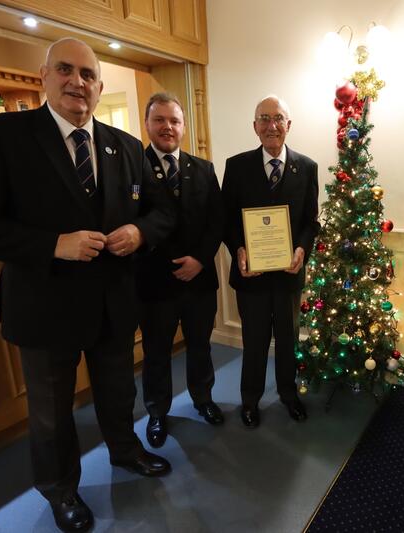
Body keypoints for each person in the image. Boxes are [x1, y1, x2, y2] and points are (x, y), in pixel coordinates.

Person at [0, 38, 176, 533]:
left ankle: (125, 450)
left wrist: (140, 232)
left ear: (99, 86)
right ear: (44, 76)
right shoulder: (3, 135)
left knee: (118, 391)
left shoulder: (125, 146)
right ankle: (60, 489)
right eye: (66, 70)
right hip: (44, 305)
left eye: (88, 74)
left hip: (113, 303)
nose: (78, 82)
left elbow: (161, 212)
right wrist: (53, 244)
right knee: (51, 411)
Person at [221, 95, 319, 428]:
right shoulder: (237, 166)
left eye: (278, 118)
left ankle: (289, 395)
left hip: (289, 275)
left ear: (288, 125)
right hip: (251, 275)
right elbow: (226, 219)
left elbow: (310, 222)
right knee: (255, 341)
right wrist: (239, 248)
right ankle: (250, 400)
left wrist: (302, 250)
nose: (271, 125)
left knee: (289, 340)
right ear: (255, 126)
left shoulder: (307, 167)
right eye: (264, 118)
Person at [136, 92, 224, 448]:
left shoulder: (203, 169)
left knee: (200, 346)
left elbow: (216, 222)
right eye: (159, 120)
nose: (167, 127)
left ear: (184, 126)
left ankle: (203, 398)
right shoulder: (133, 168)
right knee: (156, 352)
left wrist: (199, 260)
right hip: (154, 283)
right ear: (147, 124)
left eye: (174, 120)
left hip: (198, 280)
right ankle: (157, 412)